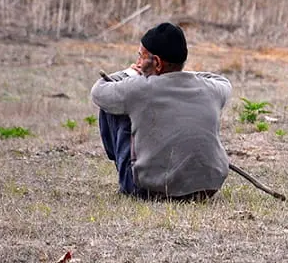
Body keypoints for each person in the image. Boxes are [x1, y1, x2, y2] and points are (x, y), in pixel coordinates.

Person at [90, 22, 232, 200]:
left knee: (112, 106)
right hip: (207, 188)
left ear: (156, 62)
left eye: (141, 57)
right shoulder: (212, 89)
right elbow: (223, 81)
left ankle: (126, 174)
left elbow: (99, 91)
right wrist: (185, 75)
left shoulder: (139, 88)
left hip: (149, 190)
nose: (138, 63)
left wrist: (130, 73)